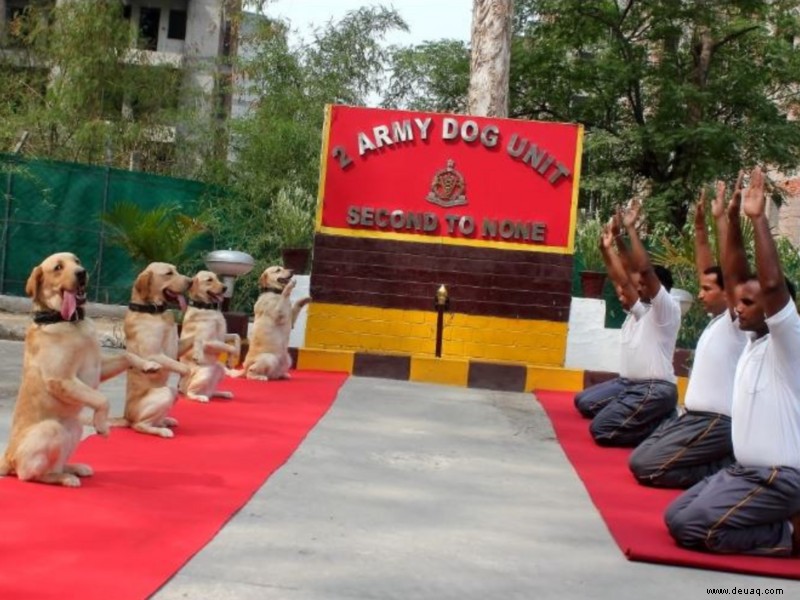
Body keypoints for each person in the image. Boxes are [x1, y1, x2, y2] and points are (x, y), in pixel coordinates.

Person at [665, 166, 800, 556]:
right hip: (745, 472)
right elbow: (736, 275)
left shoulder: (788, 341)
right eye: (737, 301)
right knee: (677, 515)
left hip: (778, 478)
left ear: (775, 310)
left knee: (695, 528)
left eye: (747, 304)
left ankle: (789, 534)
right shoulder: (751, 341)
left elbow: (771, 286)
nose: (737, 308)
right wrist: (730, 222)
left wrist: (758, 220)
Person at [629, 180, 747, 488]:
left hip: (717, 423)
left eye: (708, 289)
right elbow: (709, 269)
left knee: (647, 467)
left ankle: (725, 468)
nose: (700, 292)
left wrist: (724, 220)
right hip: (692, 417)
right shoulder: (718, 320)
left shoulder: (737, 321)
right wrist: (698, 229)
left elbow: (732, 272)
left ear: (729, 294)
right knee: (637, 458)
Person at [574, 200, 681, 447]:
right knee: (584, 403)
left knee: (602, 429)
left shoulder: (666, 310)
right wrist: (607, 247)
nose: (636, 288)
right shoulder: (640, 311)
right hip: (630, 385)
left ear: (658, 288)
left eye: (644, 285)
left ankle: (662, 423)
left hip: (655, 388)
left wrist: (631, 230)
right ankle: (644, 415)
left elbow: (642, 271)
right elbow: (621, 279)